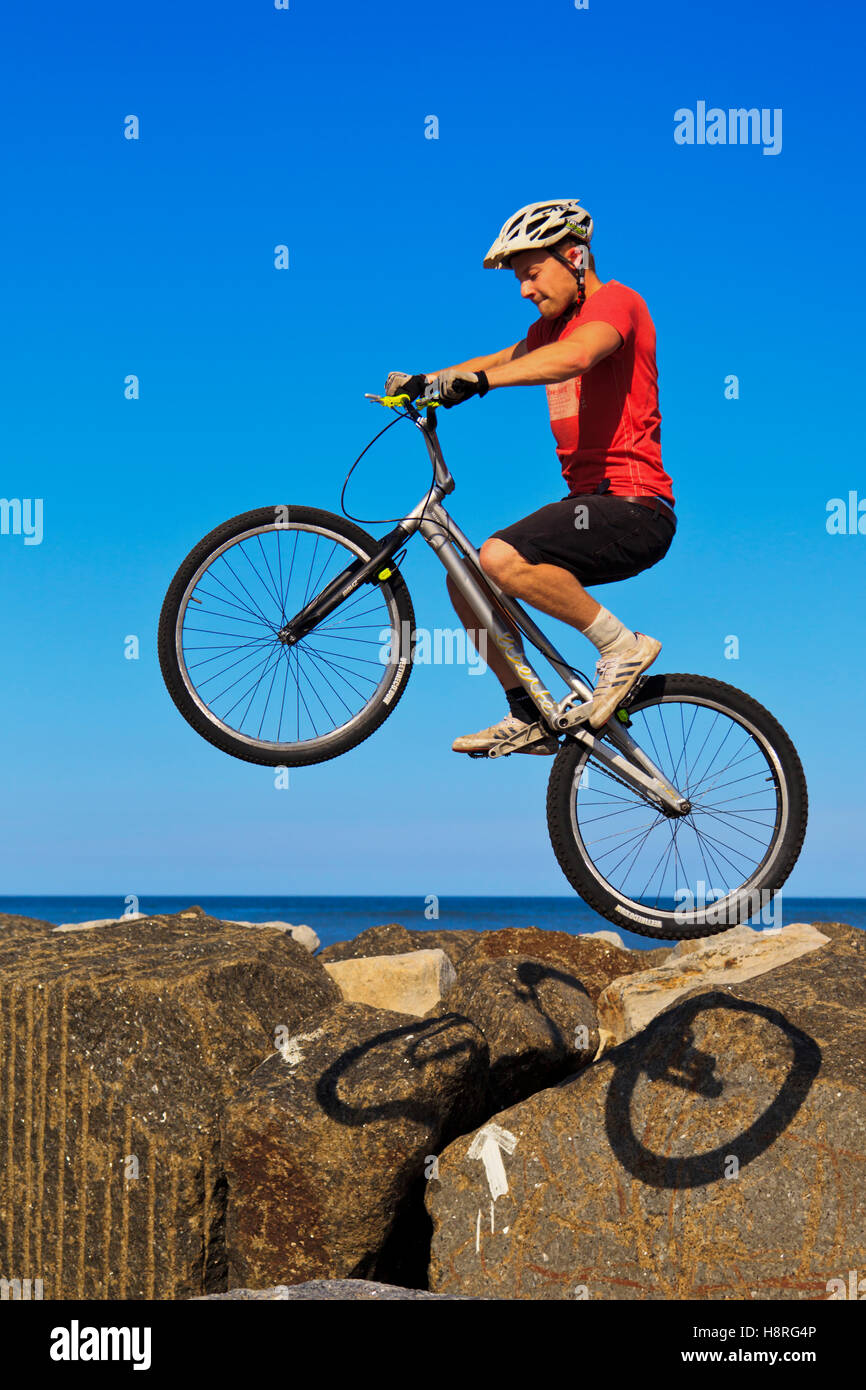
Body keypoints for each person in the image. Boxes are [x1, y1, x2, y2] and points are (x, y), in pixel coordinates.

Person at [385, 198, 676, 755]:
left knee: (499, 556)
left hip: (635, 507)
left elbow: (575, 358)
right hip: (593, 504)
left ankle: (623, 648)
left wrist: (480, 385)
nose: (524, 290)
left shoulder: (617, 303)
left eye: (532, 274)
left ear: (575, 256)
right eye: (519, 279)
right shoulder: (549, 330)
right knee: (467, 579)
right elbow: (496, 360)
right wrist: (427, 381)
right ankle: (530, 712)